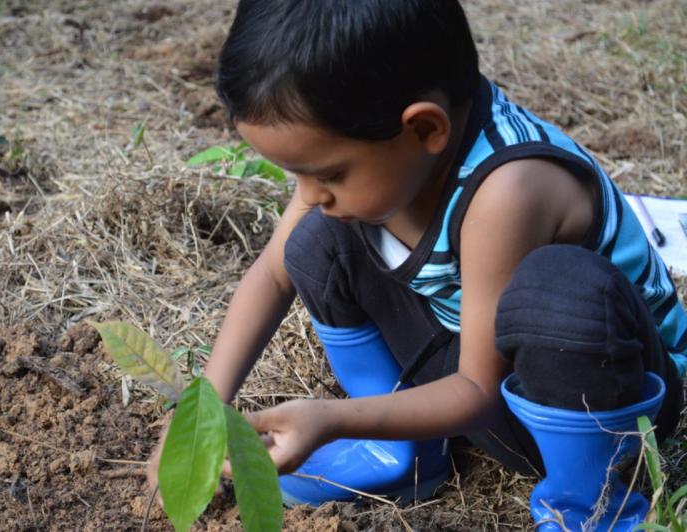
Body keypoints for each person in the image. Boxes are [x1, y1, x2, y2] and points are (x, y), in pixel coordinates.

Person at [148, 0, 687, 527]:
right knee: (315, 240)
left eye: (328, 174)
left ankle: (587, 508)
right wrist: (202, 414)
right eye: (299, 175)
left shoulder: (508, 189)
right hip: (487, 380)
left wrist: (331, 420)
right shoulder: (388, 156)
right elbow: (272, 273)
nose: (310, 194)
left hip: (607, 409)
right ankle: (401, 455)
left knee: (560, 290)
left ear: (426, 129)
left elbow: (477, 389)